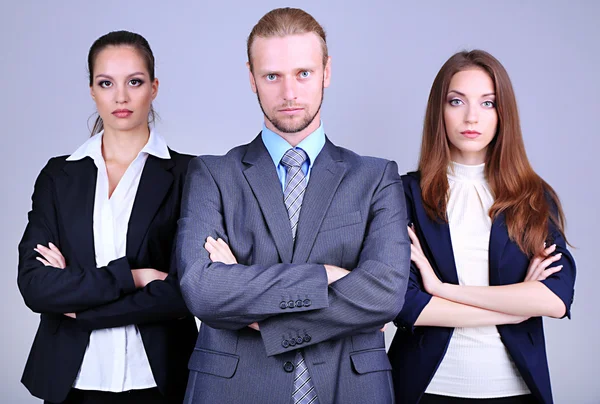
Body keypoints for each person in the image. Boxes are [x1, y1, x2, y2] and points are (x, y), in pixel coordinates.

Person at [176, 7, 410, 404]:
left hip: (349, 388)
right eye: (272, 76)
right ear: (251, 78)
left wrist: (250, 295)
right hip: (234, 390)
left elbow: (385, 293)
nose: (289, 93)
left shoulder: (376, 177)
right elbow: (202, 290)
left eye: (303, 73)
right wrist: (325, 275)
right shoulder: (211, 174)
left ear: (326, 72)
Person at [17, 30, 197, 404]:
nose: (121, 96)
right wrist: (135, 276)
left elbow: (186, 292)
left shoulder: (190, 175)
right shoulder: (58, 176)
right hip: (71, 380)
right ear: (92, 90)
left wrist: (80, 307)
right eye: (106, 83)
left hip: (159, 379)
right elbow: (36, 285)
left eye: (134, 81)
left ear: (154, 87)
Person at [388, 50, 576, 404]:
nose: (471, 116)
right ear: (438, 111)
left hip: (516, 389)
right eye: (457, 101)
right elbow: (407, 305)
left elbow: (555, 299)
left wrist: (443, 288)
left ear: (503, 113)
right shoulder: (403, 194)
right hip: (426, 389)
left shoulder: (533, 197)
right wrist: (518, 306)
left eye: (487, 103)